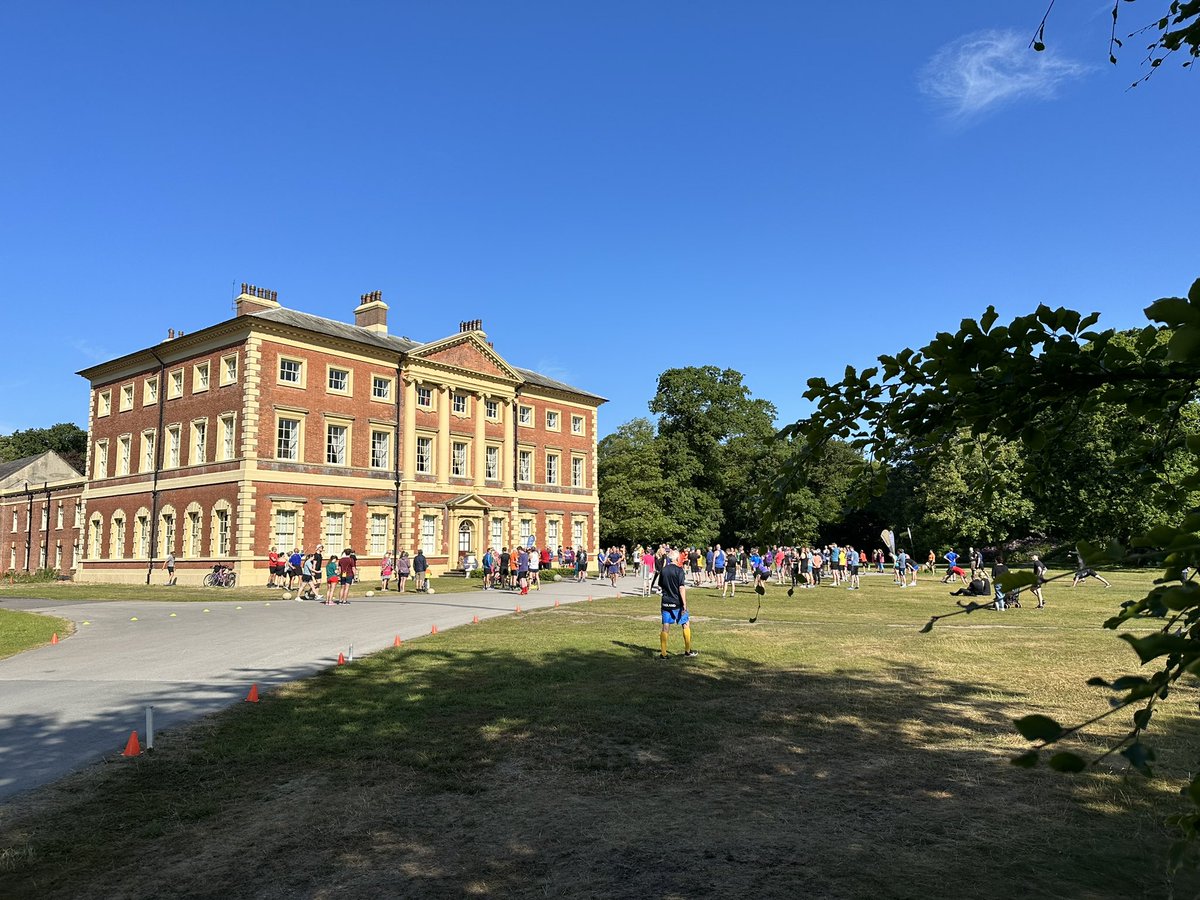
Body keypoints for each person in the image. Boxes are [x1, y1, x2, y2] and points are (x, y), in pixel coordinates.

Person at [658, 549, 697, 659]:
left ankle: (663, 653)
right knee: (685, 624)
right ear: (676, 558)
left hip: (665, 602)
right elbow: (681, 587)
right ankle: (687, 651)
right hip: (677, 603)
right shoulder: (679, 570)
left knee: (665, 626)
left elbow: (661, 585)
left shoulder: (664, 570)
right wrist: (684, 603)